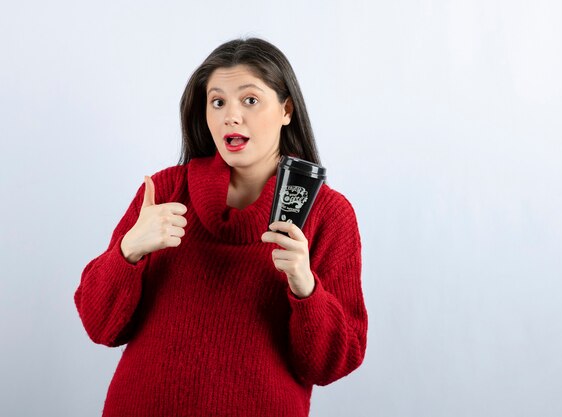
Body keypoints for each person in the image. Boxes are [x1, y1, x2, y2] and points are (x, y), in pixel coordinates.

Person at [74, 37, 367, 417]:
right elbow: (100, 327)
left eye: (249, 100)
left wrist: (305, 287)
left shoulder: (328, 213)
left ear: (286, 109)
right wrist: (128, 252)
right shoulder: (164, 192)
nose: (231, 115)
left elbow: (333, 365)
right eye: (218, 102)